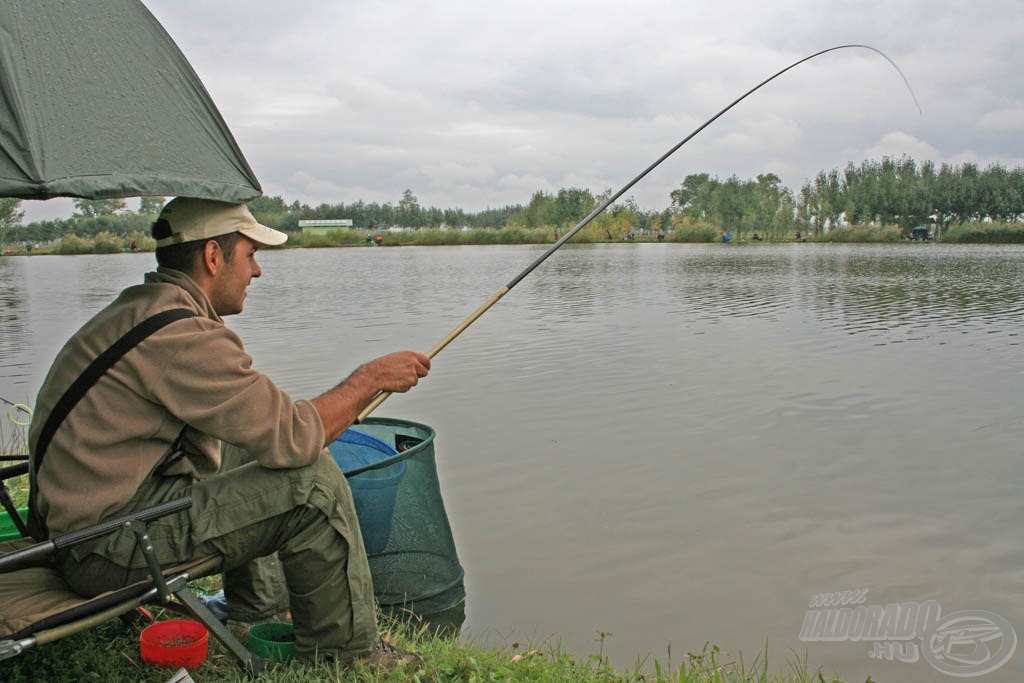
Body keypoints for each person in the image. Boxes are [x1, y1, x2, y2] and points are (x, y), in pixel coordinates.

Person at [27, 197, 430, 669]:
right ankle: (347, 657)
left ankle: (254, 611)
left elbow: (264, 428)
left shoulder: (142, 309)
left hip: (81, 526)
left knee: (246, 444)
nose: (257, 271)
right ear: (213, 257)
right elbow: (297, 437)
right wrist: (368, 380)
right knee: (313, 482)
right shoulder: (180, 337)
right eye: (251, 255)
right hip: (103, 549)